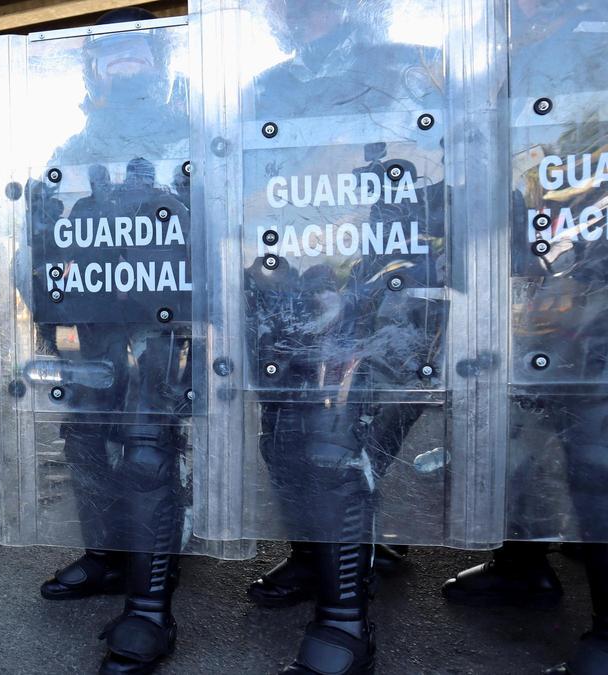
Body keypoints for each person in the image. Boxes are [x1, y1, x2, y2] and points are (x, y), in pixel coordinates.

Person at [235, 2, 446, 671]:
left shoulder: (417, 66)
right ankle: (314, 558)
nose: (304, 14)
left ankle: (345, 618)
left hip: (388, 292)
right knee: (284, 445)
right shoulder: (266, 88)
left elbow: (452, 179)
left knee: (336, 449)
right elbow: (244, 195)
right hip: (291, 293)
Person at [7, 9, 193, 672]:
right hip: (92, 325)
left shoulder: (190, 134)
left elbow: (228, 227)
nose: (123, 63)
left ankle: (150, 605)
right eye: (109, 55)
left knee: (147, 448)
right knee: (85, 435)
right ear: (94, 70)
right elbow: (35, 239)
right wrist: (47, 297)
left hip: (165, 323)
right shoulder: (72, 148)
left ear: (160, 62)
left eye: (136, 53)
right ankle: (108, 556)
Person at [442, 2, 608, 672]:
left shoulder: (592, 33)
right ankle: (522, 562)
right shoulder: (500, 42)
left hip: (593, 274)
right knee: (512, 424)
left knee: (597, 448)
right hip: (536, 276)